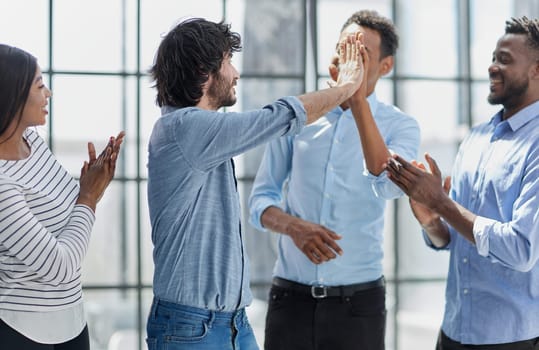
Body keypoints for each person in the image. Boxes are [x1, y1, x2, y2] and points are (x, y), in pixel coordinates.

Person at [145, 17, 367, 350]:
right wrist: (345, 88)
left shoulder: (203, 133)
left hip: (233, 323)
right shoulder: (183, 129)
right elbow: (277, 118)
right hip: (190, 328)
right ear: (204, 71)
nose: (235, 73)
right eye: (228, 61)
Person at [248, 10, 420, 350]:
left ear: (385, 67)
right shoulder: (299, 116)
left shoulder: (401, 126)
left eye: (362, 53)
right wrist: (294, 227)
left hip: (359, 307)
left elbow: (387, 184)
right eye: (346, 48)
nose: (350, 59)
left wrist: (355, 101)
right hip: (290, 301)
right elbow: (259, 202)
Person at [385, 16, 539, 350]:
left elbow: (522, 249)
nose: (492, 67)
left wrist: (442, 202)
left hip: (511, 339)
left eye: (505, 60)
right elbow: (456, 240)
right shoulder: (477, 137)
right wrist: (431, 219)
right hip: (453, 332)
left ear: (536, 71)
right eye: (493, 58)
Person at [0, 44, 124, 349]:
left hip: (72, 325)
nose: (49, 94)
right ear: (12, 95)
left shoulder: (32, 142)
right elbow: (61, 266)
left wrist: (94, 183)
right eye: (40, 85)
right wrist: (89, 197)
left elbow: (72, 214)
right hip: (21, 334)